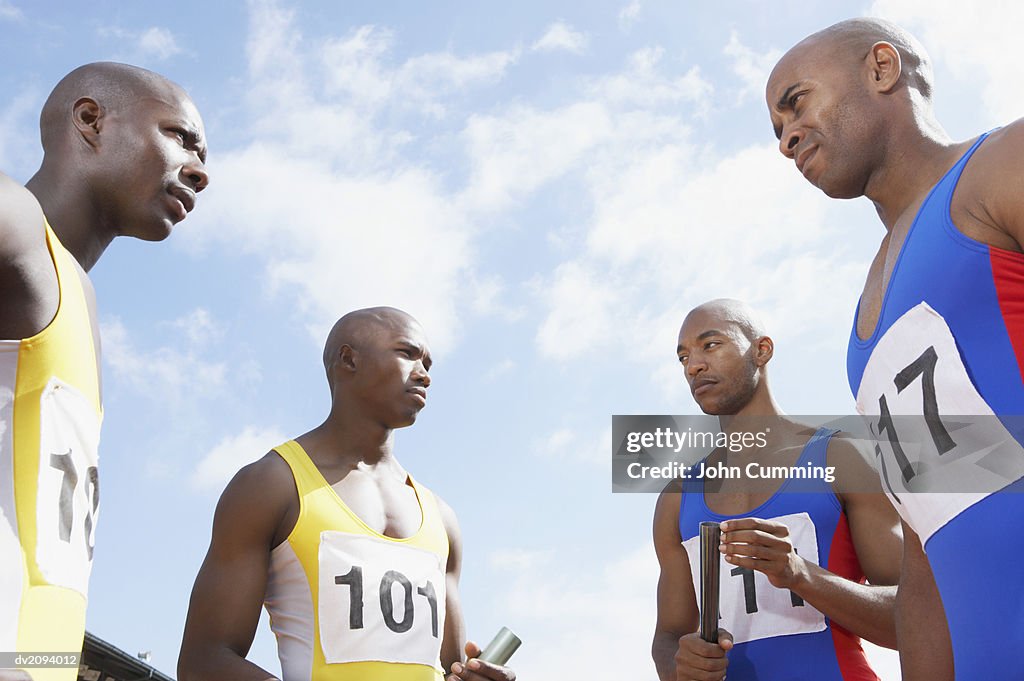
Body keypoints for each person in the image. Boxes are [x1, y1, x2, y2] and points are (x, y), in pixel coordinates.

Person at [767, 18, 1024, 680]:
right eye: (777, 128)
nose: (787, 136)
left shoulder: (1001, 166)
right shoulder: (862, 332)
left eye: (797, 102)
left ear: (882, 69)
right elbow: (925, 553)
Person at [0, 63, 208, 681]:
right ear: (91, 121)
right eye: (180, 137)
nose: (200, 169)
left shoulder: (78, 301)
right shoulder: (15, 221)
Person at [177, 307, 516, 681]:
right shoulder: (271, 485)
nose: (424, 375)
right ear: (348, 359)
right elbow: (203, 662)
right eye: (407, 354)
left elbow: (449, 666)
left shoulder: (442, 519)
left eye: (429, 364)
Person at [651, 299, 901, 681]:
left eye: (711, 345)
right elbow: (668, 636)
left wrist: (801, 574)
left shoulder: (841, 459)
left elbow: (916, 616)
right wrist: (679, 665)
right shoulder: (677, 499)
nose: (693, 365)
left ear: (761, 350)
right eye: (683, 356)